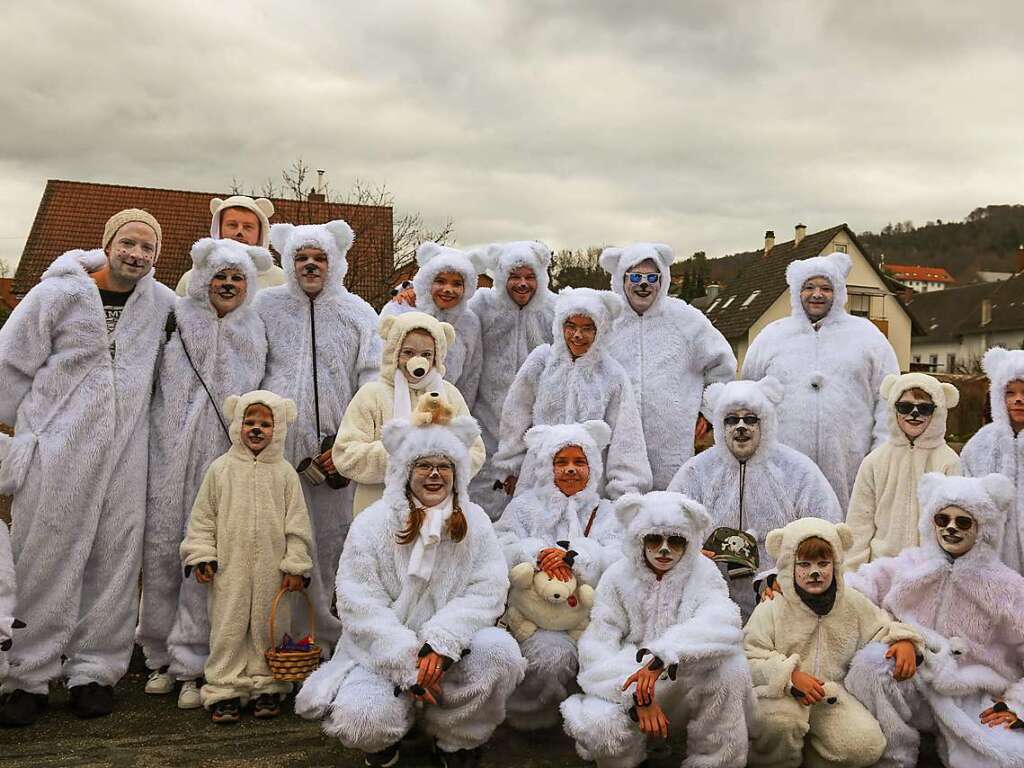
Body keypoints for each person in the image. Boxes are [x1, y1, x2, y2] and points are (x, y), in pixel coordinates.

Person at [0, 209, 175, 725]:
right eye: (129, 243)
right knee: (43, 558)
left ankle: (94, 672)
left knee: (115, 564)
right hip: (58, 452)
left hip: (127, 454)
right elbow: (10, 363)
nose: (137, 254)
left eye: (148, 248)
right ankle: (27, 677)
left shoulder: (161, 304)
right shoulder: (55, 294)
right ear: (108, 243)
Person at [294, 410, 525, 768]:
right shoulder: (371, 524)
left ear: (457, 473)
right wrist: (408, 660)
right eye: (424, 465)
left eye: (444, 466)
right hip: (381, 654)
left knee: (500, 653)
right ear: (405, 472)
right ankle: (385, 747)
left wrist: (442, 641)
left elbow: (488, 589)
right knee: (361, 721)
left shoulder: (476, 522)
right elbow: (359, 602)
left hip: (452, 651)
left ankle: (456, 739)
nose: (434, 474)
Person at [137, 237, 272, 709]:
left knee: (207, 555)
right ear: (203, 278)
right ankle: (156, 653)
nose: (228, 284)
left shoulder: (256, 328)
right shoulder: (177, 317)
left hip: (220, 459)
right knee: (158, 551)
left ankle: (194, 659)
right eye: (221, 276)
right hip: (167, 450)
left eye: (238, 277)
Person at [254, 219, 382, 651]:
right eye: (301, 257)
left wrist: (349, 442)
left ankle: (326, 638)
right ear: (287, 261)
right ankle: (276, 638)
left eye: (320, 258)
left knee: (331, 542)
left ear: (336, 261)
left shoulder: (358, 313)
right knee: (275, 540)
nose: (310, 265)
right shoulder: (265, 307)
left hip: (334, 454)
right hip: (274, 449)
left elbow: (372, 384)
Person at [561, 491, 753, 768]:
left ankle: (714, 761)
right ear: (639, 539)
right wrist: (638, 694)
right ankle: (633, 757)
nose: (664, 549)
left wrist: (664, 656)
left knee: (731, 667)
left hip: (682, 679)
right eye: (654, 539)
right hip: (628, 681)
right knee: (600, 726)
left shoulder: (704, 572)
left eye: (675, 540)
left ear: (689, 541)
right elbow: (598, 645)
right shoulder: (617, 576)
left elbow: (722, 620)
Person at [846, 472, 1024, 768]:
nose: (951, 528)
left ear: (983, 528)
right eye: (943, 519)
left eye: (963, 521)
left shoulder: (1008, 587)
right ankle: (895, 757)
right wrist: (780, 581)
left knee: (1009, 759)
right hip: (911, 680)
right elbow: (851, 588)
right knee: (870, 664)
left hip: (971, 698)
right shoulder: (910, 565)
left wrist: (1017, 706)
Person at [744, 517, 923, 768]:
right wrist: (789, 676)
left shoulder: (851, 603)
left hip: (829, 696)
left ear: (836, 563)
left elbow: (881, 627)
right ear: (788, 567)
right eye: (804, 564)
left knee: (866, 746)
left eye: (823, 563)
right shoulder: (772, 608)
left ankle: (810, 760)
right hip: (779, 696)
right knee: (781, 722)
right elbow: (748, 657)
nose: (815, 572)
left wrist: (904, 640)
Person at [181, 390, 313, 723]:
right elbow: (203, 518)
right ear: (237, 423)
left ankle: (267, 686)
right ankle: (225, 689)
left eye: (265, 424)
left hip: (274, 571)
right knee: (227, 628)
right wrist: (202, 555)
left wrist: (296, 564)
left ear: (278, 428)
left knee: (270, 629)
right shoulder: (220, 470)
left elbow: (297, 524)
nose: (256, 429)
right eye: (249, 422)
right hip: (229, 569)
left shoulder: (284, 474)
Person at [668, 377, 842, 620]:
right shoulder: (697, 472)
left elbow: (826, 528)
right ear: (719, 424)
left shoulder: (797, 470)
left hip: (782, 598)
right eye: (731, 420)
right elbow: (669, 524)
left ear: (766, 422)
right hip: (708, 598)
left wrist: (788, 577)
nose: (741, 427)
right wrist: (689, 554)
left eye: (750, 419)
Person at [742, 252, 899, 513]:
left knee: (848, 534)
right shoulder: (771, 336)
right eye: (809, 287)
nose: (817, 294)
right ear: (796, 291)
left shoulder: (867, 337)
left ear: (839, 292)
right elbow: (747, 398)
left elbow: (889, 399)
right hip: (783, 461)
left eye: (826, 288)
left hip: (851, 463)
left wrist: (880, 453)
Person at [494, 420, 624, 730]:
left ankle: (589, 715)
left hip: (589, 619)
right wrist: (537, 555)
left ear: (592, 467)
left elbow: (620, 557)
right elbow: (501, 544)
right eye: (561, 461)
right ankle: (531, 719)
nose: (570, 469)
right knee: (551, 655)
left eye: (579, 462)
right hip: (532, 619)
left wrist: (577, 558)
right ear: (545, 466)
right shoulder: (524, 507)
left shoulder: (606, 512)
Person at [494, 287, 652, 502]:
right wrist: (510, 466)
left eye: (587, 328)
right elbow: (516, 414)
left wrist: (625, 491)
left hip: (589, 481)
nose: (577, 335)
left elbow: (626, 435)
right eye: (571, 326)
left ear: (601, 329)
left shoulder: (612, 374)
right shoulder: (541, 361)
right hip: (538, 475)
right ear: (560, 326)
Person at [600, 242, 736, 489]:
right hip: (615, 444)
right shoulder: (606, 321)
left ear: (663, 280)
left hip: (673, 447)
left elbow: (723, 366)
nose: (644, 284)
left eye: (652, 277)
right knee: (619, 512)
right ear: (621, 278)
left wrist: (707, 411)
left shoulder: (686, 319)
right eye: (636, 276)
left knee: (672, 513)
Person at [328, 311, 485, 515]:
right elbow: (345, 455)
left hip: (438, 511)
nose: (418, 361)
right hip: (378, 508)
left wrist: (439, 464)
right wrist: (399, 456)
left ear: (438, 356)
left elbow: (475, 451)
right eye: (408, 352)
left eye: (427, 354)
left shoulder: (449, 395)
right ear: (394, 351)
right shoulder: (372, 394)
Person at [466, 241, 556, 519]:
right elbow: (447, 309)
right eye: (514, 277)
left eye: (530, 277)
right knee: (483, 502)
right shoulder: (482, 306)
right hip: (486, 420)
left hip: (537, 425)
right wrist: (410, 295)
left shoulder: (554, 310)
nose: (522, 284)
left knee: (533, 508)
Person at [845, 372, 961, 570]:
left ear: (938, 411)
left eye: (924, 408)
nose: (914, 414)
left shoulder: (949, 462)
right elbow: (859, 524)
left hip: (930, 571)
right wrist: (853, 575)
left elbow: (956, 524)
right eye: (905, 407)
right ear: (893, 409)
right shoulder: (874, 461)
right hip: (880, 570)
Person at [381, 242, 486, 408]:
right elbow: (380, 365)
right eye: (440, 281)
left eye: (456, 284)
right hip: (397, 409)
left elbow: (470, 377)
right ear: (427, 281)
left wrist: (461, 415)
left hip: (445, 413)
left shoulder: (469, 322)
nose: (448, 289)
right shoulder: (399, 310)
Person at [960, 347, 1024, 572]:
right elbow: (965, 499)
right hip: (989, 562)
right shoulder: (981, 445)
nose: (1018, 400)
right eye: (1010, 392)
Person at [175, 196, 286, 295]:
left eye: (248, 227)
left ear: (260, 233)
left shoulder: (280, 281)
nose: (239, 232)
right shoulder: (191, 279)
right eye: (232, 225)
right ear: (219, 229)